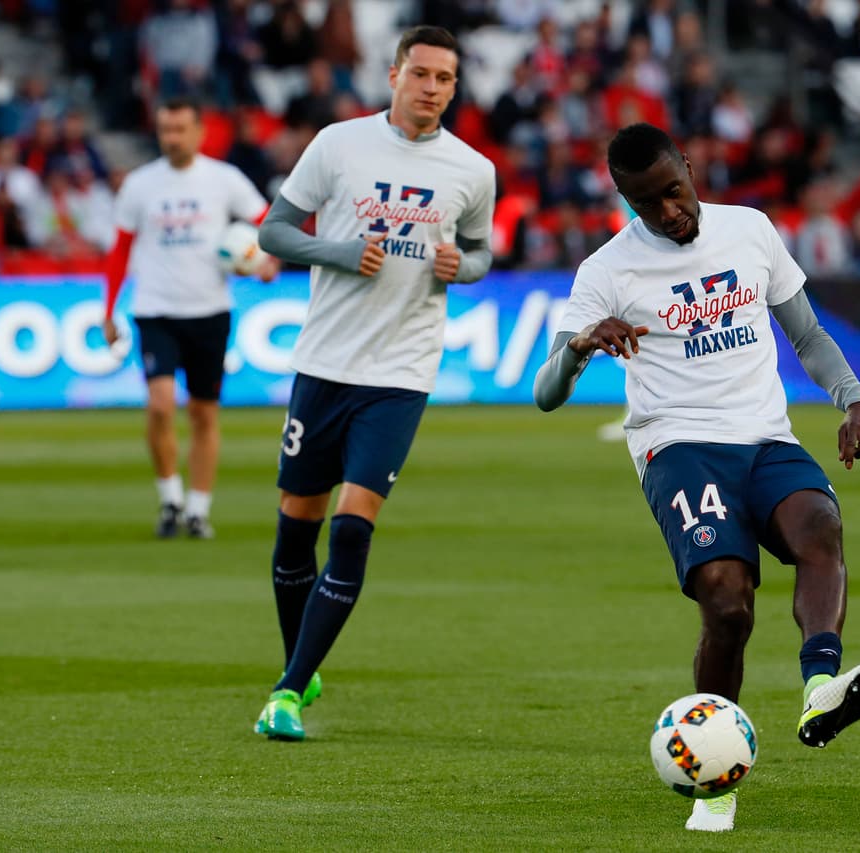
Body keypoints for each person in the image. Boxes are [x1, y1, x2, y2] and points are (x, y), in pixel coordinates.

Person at [533, 123, 860, 832]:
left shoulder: (749, 230)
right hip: (679, 447)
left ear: (689, 168)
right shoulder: (607, 271)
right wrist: (579, 346)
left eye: (672, 191)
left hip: (764, 436)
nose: (668, 211)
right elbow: (546, 390)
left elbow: (808, 334)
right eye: (647, 204)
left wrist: (854, 396)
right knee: (728, 602)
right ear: (625, 202)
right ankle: (713, 784)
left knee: (819, 525)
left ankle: (821, 688)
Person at [251, 25, 496, 741]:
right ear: (393, 75)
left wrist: (465, 267)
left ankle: (289, 690)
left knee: (351, 528)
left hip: (400, 373)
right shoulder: (338, 144)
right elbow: (273, 232)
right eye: (419, 73)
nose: (431, 88)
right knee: (295, 532)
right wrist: (338, 250)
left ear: (454, 87)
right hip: (325, 363)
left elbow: (480, 251)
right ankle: (303, 657)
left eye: (444, 79)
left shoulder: (471, 169)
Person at [102, 97, 277, 540]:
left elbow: (266, 221)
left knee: (203, 412)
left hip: (210, 310)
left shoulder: (224, 179)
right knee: (160, 405)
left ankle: (198, 509)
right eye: (165, 130)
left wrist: (269, 258)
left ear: (200, 132)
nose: (172, 138)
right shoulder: (141, 185)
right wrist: (108, 310)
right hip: (156, 309)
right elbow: (120, 249)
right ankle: (169, 499)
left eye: (180, 129)